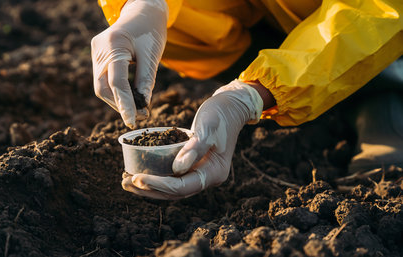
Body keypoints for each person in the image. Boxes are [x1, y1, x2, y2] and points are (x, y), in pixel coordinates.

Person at [91, 0, 403, 200]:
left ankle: (381, 88)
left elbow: (380, 10)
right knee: (177, 20)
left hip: (378, 22)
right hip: (282, 13)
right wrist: (143, 6)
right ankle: (299, 84)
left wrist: (248, 96)